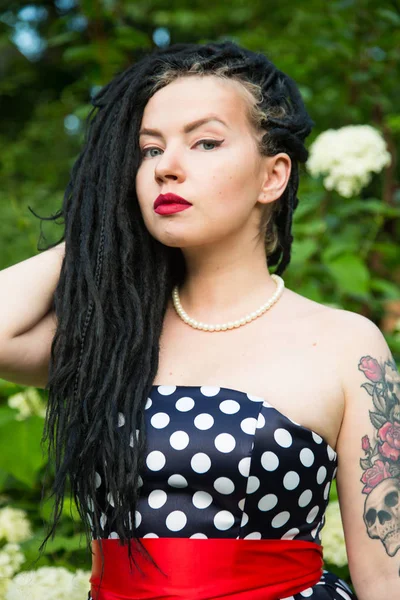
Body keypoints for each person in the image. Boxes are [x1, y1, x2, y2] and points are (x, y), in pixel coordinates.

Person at [0, 40, 398, 600]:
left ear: (272, 177)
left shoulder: (346, 345)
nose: (167, 167)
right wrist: (103, 226)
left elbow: (389, 575)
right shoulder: (111, 338)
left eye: (205, 142)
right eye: (147, 150)